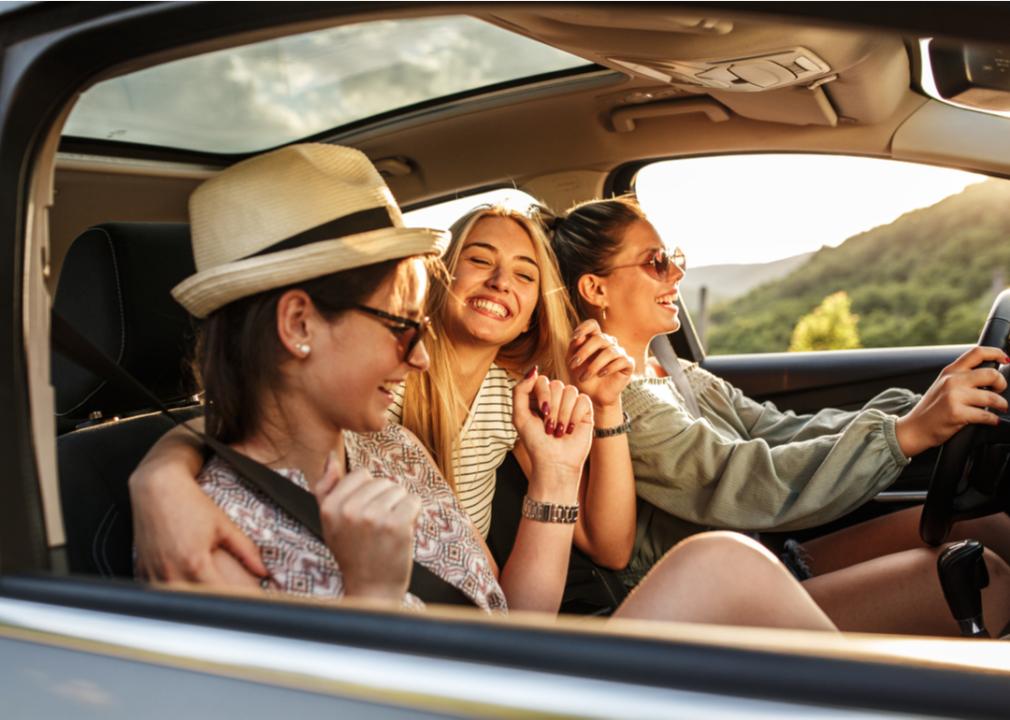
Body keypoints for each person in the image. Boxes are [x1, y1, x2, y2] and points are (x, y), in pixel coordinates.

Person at [148, 141, 839, 630]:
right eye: (399, 324)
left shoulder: (389, 448)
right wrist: (373, 598)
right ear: (298, 323)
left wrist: (559, 475)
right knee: (723, 568)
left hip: (516, 666)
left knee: (725, 566)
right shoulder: (208, 540)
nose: (415, 357)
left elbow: (510, 621)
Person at [546, 195, 1010, 635]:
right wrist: (905, 435)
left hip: (766, 557)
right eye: (656, 262)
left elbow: (780, 431)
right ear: (595, 288)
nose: (676, 275)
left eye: (674, 258)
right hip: (711, 609)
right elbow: (741, 477)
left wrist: (919, 409)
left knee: (992, 527)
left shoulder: (677, 372)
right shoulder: (623, 403)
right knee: (986, 579)